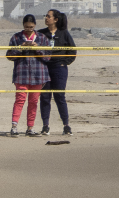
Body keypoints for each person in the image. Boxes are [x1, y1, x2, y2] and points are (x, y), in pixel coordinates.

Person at [7, 13, 50, 136]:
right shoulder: (16, 38)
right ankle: (14, 126)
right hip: (22, 74)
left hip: (38, 75)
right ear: (23, 26)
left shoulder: (42, 38)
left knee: (33, 102)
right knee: (20, 100)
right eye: (26, 27)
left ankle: (30, 127)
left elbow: (48, 57)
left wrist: (37, 48)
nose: (29, 29)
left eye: (31, 27)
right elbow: (9, 55)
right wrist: (20, 48)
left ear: (35, 26)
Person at [38, 8, 76, 136]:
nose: (46, 18)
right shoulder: (41, 33)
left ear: (55, 19)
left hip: (59, 68)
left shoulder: (64, 33)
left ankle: (66, 125)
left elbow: (72, 51)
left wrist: (64, 62)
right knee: (45, 97)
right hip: (44, 68)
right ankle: (45, 126)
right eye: (46, 16)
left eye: (48, 16)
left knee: (59, 96)